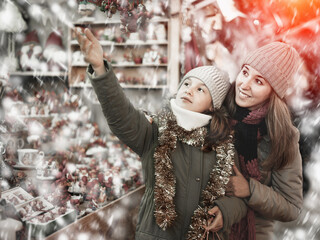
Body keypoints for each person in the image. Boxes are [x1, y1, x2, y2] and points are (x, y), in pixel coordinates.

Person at [75, 28, 247, 240]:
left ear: (213, 106)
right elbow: (122, 117)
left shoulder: (223, 146)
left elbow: (238, 198)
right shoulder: (156, 130)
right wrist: (100, 68)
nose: (190, 90)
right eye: (187, 83)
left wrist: (225, 211)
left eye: (201, 90)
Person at [224, 42, 303, 240]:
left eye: (259, 81)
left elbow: (292, 207)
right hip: (206, 228)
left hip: (253, 233)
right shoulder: (217, 109)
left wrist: (250, 190)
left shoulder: (282, 135)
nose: (244, 84)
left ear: (273, 92)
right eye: (245, 72)